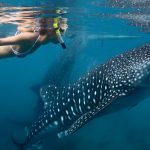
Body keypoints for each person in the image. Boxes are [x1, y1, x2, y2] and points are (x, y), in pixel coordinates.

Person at [0, 13, 68, 58]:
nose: (59, 40)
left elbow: (57, 40)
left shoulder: (46, 37)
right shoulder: (29, 37)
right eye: (60, 35)